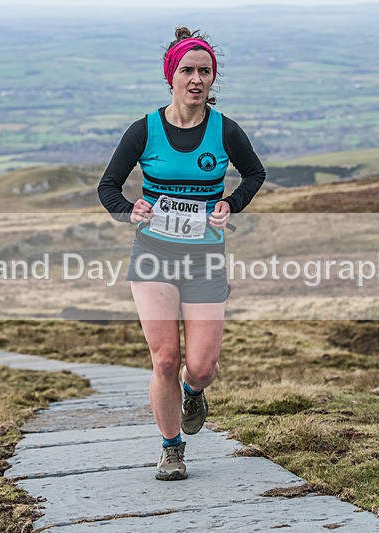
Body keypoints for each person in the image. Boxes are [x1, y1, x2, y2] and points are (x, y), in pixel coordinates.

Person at [98, 27, 265, 481]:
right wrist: (129, 210)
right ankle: (172, 449)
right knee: (165, 359)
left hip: (205, 257)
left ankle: (194, 390)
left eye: (205, 71)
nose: (197, 79)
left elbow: (254, 174)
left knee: (202, 365)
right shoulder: (144, 130)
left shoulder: (225, 130)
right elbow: (107, 187)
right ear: (171, 75)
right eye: (188, 70)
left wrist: (231, 203)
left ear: (213, 80)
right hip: (153, 253)